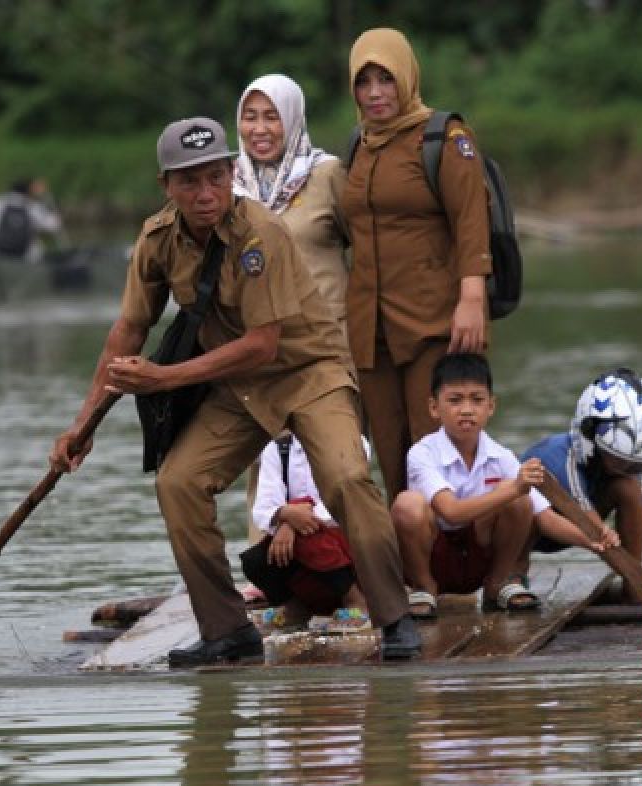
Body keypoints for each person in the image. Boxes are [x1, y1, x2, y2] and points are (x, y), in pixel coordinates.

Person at [49, 117, 421, 666]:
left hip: (308, 370)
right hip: (238, 385)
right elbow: (126, 334)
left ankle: (394, 617)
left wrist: (163, 378)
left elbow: (263, 345)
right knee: (179, 482)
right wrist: (83, 427)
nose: (206, 194)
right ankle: (227, 630)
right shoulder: (157, 240)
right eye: (190, 181)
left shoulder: (259, 233)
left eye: (217, 178)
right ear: (166, 187)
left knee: (345, 477)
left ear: (231, 175)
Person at [341, 28, 493, 502]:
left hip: (434, 320)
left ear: (405, 77)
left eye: (385, 79)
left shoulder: (444, 137)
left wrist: (472, 297)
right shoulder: (358, 146)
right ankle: (412, 571)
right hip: (371, 328)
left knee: (441, 452)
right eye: (363, 82)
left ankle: (464, 564)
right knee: (391, 456)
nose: (375, 93)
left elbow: (471, 219)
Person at [391, 354, 619, 617]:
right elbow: (450, 511)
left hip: (478, 558)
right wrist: (511, 489)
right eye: (454, 400)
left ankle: (496, 583)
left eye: (477, 400)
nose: (466, 410)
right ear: (434, 407)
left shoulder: (501, 456)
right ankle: (423, 587)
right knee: (407, 504)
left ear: (491, 406)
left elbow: (544, 517)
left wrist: (592, 539)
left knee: (522, 501)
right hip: (435, 558)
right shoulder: (422, 453)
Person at [233, 73, 353, 547]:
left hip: (327, 346)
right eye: (250, 116)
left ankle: (346, 567)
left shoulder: (326, 175)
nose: (260, 128)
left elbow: (364, 248)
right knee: (262, 458)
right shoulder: (230, 185)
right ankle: (267, 564)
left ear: (293, 119)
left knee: (337, 459)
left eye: (272, 117)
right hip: (258, 347)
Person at [520, 368, 642, 605]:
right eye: (622, 462)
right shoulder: (565, 462)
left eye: (637, 465)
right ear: (591, 443)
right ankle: (514, 577)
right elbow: (599, 539)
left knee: (628, 488)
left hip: (580, 528)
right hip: (532, 532)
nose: (630, 470)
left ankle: (633, 586)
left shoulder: (625, 468)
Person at [242, 432, 372, 626]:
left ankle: (355, 600)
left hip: (342, 543)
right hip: (300, 541)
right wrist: (287, 517)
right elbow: (263, 510)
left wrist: (292, 519)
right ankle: (295, 608)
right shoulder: (277, 448)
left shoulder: (352, 441)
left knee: (310, 538)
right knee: (254, 560)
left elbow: (343, 499)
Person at [0, 177, 63, 262]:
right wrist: (48, 203)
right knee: (37, 247)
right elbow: (54, 226)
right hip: (25, 256)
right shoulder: (33, 207)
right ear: (29, 190)